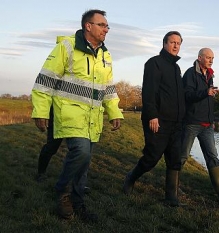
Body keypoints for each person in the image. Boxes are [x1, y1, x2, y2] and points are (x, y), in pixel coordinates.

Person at [31, 9, 123, 222]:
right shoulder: (67, 47)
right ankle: (62, 190)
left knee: (85, 162)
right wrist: (41, 111)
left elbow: (108, 87)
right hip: (69, 115)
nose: (106, 29)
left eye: (107, 26)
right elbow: (45, 80)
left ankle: (78, 203)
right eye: (102, 25)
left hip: (93, 118)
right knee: (80, 153)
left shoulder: (105, 55)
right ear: (88, 26)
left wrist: (114, 112)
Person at [122, 31, 186, 207]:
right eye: (172, 42)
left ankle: (171, 197)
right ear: (164, 43)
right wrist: (152, 115)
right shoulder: (154, 63)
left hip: (176, 122)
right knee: (151, 157)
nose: (175, 46)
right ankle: (130, 178)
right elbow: (149, 91)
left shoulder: (176, 68)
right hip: (159, 120)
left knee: (175, 159)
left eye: (178, 43)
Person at [181, 48, 219, 203]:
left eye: (213, 58)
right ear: (199, 58)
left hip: (207, 124)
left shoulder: (209, 75)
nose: (211, 60)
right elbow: (186, 95)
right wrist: (206, 92)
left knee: (212, 157)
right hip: (191, 123)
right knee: (182, 156)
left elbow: (206, 99)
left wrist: (211, 118)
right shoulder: (190, 73)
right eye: (208, 57)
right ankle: (172, 188)